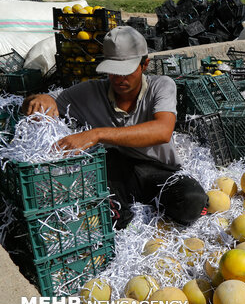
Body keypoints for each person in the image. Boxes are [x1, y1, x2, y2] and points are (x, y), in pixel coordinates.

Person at [22, 26, 208, 228]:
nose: (120, 79)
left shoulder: (161, 85)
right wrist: (39, 99)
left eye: (126, 72)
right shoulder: (89, 92)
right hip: (117, 174)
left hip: (159, 170)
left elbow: (162, 131)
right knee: (109, 217)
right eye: (113, 72)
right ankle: (124, 220)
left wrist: (97, 134)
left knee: (192, 202)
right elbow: (47, 100)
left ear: (144, 64)